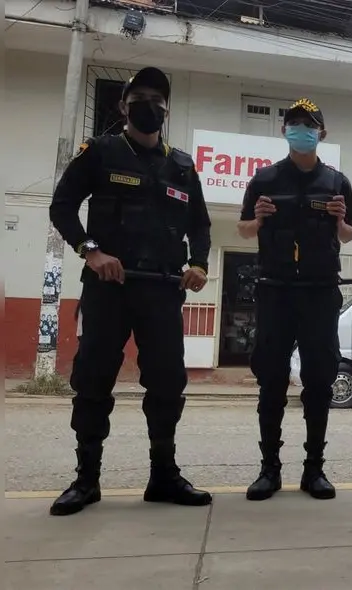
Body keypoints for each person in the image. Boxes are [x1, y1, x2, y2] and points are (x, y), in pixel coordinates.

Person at [47, 66, 213, 516]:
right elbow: (62, 207)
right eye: (140, 99)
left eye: (158, 101)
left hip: (162, 290)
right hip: (109, 289)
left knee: (167, 384)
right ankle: (86, 480)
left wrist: (199, 263)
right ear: (123, 106)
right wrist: (90, 251)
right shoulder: (100, 152)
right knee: (93, 380)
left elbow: (200, 224)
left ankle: (163, 477)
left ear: (167, 111)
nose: (150, 107)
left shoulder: (182, 166)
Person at [236, 98, 352, 501]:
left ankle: (314, 469)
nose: (301, 130)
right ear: (284, 130)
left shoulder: (337, 182)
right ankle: (269, 469)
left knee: (319, 381)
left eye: (309, 124)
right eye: (294, 124)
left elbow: (348, 235)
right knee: (271, 380)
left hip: (320, 292)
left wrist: (339, 220)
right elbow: (243, 229)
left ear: (322, 133)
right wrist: (258, 219)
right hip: (275, 289)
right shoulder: (265, 179)